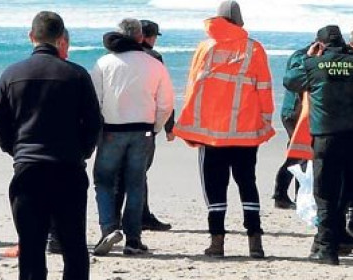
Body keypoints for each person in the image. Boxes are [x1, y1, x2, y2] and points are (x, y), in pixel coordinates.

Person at [0, 11, 101, 280]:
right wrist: (81, 152)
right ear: (61, 39)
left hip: (28, 169)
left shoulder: (11, 74)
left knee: (31, 247)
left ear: (32, 37)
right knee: (73, 245)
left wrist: (16, 151)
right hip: (68, 169)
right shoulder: (76, 74)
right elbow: (93, 124)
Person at [172, 0, 275, 259]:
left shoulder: (205, 48)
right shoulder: (254, 49)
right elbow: (264, 88)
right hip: (245, 133)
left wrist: (189, 127)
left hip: (211, 133)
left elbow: (193, 88)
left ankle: (217, 242)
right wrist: (265, 121)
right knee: (247, 184)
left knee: (214, 187)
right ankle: (255, 241)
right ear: (240, 22)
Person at [284, 25, 353, 265]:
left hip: (326, 138)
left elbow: (290, 80)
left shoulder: (313, 65)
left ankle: (327, 250)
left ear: (320, 45)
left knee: (326, 195)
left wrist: (307, 56)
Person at [92, 18, 174, 256]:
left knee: (104, 181)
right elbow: (165, 104)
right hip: (143, 130)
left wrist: (98, 129)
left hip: (111, 130)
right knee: (135, 184)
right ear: (140, 37)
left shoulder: (104, 63)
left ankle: (109, 227)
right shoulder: (154, 64)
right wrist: (156, 127)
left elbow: (95, 101)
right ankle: (133, 239)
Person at [110, 19, 174, 232]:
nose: (155, 40)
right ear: (145, 37)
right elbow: (164, 95)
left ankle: (115, 219)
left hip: (117, 123)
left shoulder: (115, 57)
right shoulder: (154, 58)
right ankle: (142, 216)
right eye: (154, 36)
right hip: (145, 124)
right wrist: (167, 127)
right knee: (139, 172)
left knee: (120, 172)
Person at [271, 41, 313, 210]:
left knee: (300, 154)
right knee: (299, 154)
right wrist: (310, 56)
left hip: (303, 113)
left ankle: (295, 194)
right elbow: (293, 78)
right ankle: (282, 194)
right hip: (293, 113)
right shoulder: (300, 56)